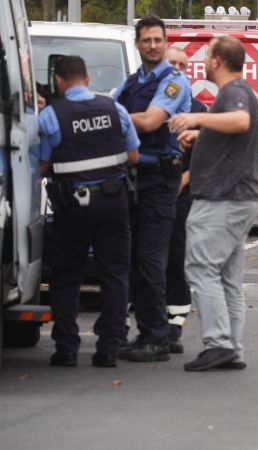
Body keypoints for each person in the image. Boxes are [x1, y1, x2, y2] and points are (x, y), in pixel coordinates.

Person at [39, 56, 140, 367]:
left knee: (67, 276)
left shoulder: (51, 116)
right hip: (112, 203)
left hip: (72, 206)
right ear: (86, 78)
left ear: (58, 81)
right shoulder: (115, 109)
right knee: (114, 274)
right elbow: (133, 156)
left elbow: (41, 166)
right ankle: (109, 348)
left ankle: (66, 348)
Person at [169, 36, 258, 372]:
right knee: (227, 278)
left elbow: (240, 123)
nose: (203, 62)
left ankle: (218, 343)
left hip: (223, 199)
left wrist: (198, 121)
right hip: (238, 198)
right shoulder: (238, 93)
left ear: (218, 60)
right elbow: (232, 136)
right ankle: (231, 347)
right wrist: (202, 135)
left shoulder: (234, 93)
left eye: (207, 55)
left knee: (202, 269)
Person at [114, 16, 192, 363]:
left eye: (158, 40)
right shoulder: (131, 84)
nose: (153, 46)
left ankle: (158, 337)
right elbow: (118, 109)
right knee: (134, 259)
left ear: (164, 41)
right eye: (146, 40)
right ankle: (146, 330)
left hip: (161, 180)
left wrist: (107, 114)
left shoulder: (173, 83)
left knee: (150, 258)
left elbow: (149, 121)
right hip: (133, 179)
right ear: (138, 44)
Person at [164, 46, 208, 354]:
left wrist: (181, 181)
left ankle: (174, 325)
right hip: (151, 194)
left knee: (175, 258)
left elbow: (205, 158)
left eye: (183, 64)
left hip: (180, 196)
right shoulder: (153, 102)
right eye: (172, 63)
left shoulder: (198, 109)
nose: (178, 68)